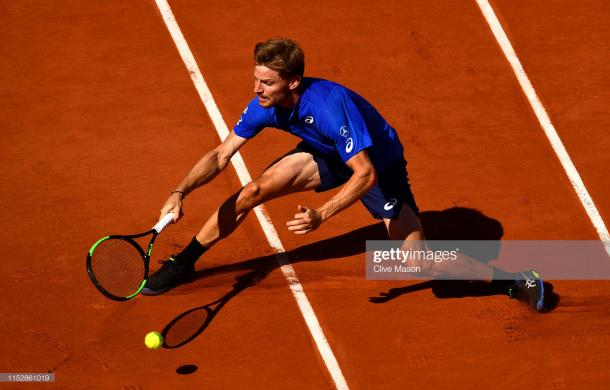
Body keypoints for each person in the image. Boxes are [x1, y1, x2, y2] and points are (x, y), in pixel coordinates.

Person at [141, 38, 545, 312]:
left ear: (293, 82)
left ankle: (513, 279)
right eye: (256, 79)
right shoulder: (264, 103)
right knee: (253, 191)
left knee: (416, 263)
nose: (257, 89)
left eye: (267, 82)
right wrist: (180, 191)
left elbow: (365, 174)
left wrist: (322, 215)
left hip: (378, 167)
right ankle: (185, 261)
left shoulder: (331, 108)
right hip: (327, 154)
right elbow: (220, 154)